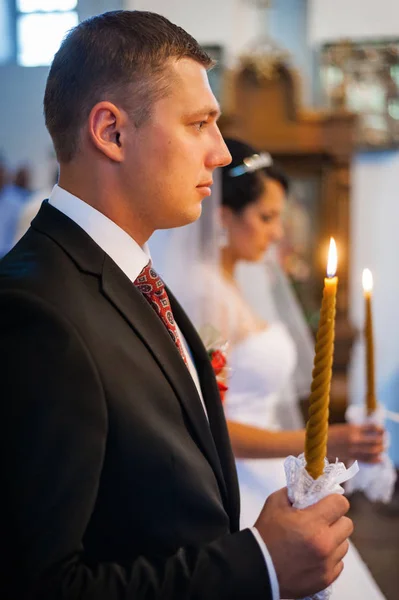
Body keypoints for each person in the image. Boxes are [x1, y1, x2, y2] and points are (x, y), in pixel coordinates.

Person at [0, 12, 352, 600]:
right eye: (199, 124)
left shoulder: (133, 275)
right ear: (111, 131)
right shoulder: (34, 311)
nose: (219, 152)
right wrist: (260, 564)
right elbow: (41, 584)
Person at [165, 137, 386, 599]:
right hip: (242, 478)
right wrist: (324, 441)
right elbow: (211, 423)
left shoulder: (235, 282)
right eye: (266, 217)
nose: (277, 232)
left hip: (271, 468)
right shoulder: (205, 295)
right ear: (224, 217)